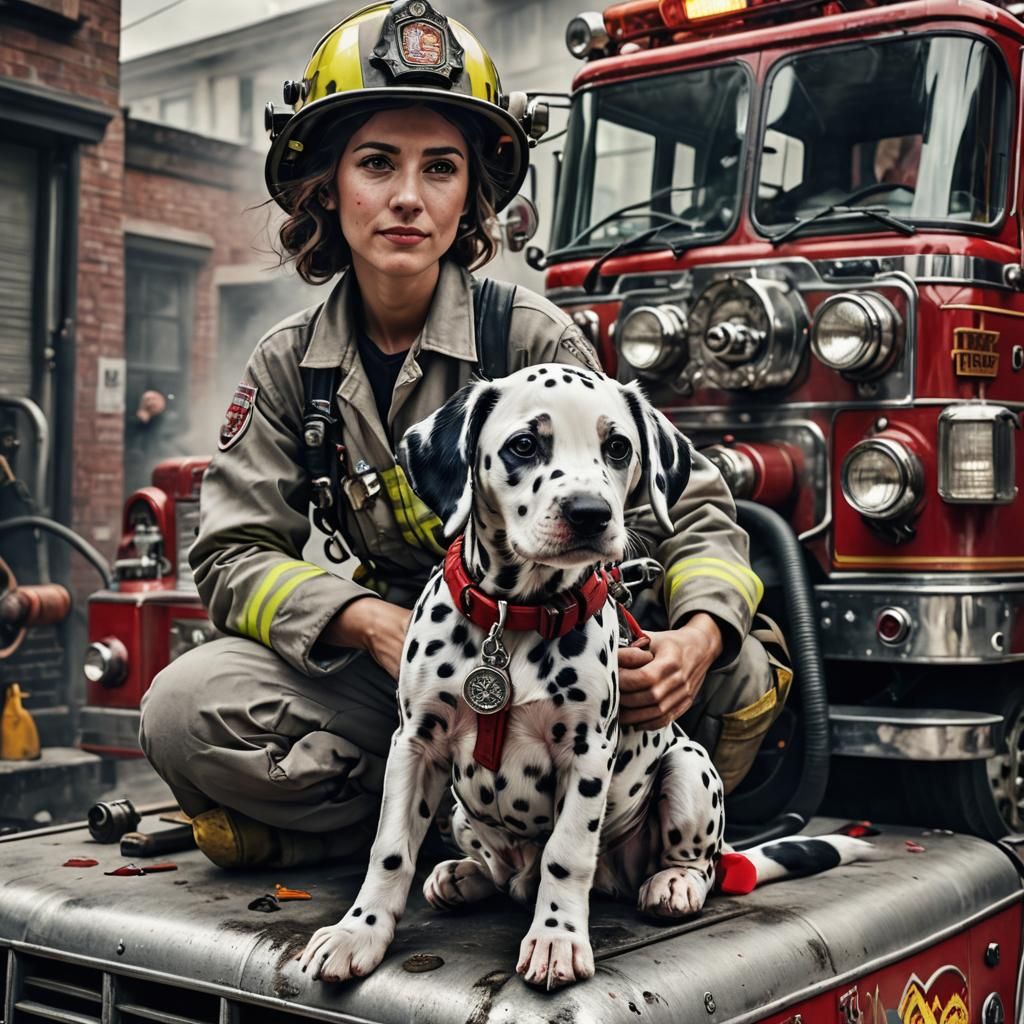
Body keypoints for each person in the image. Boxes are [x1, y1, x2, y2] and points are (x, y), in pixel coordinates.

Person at [139, 0, 786, 870]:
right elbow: (230, 556)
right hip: (418, 671)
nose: (407, 197)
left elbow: (698, 510)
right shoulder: (291, 366)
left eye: (439, 168)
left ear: (469, 198)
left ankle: (530, 825)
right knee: (185, 710)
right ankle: (439, 819)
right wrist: (369, 623)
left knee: (737, 670)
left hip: (567, 669)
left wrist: (697, 640)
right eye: (376, 163)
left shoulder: (531, 340)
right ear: (327, 188)